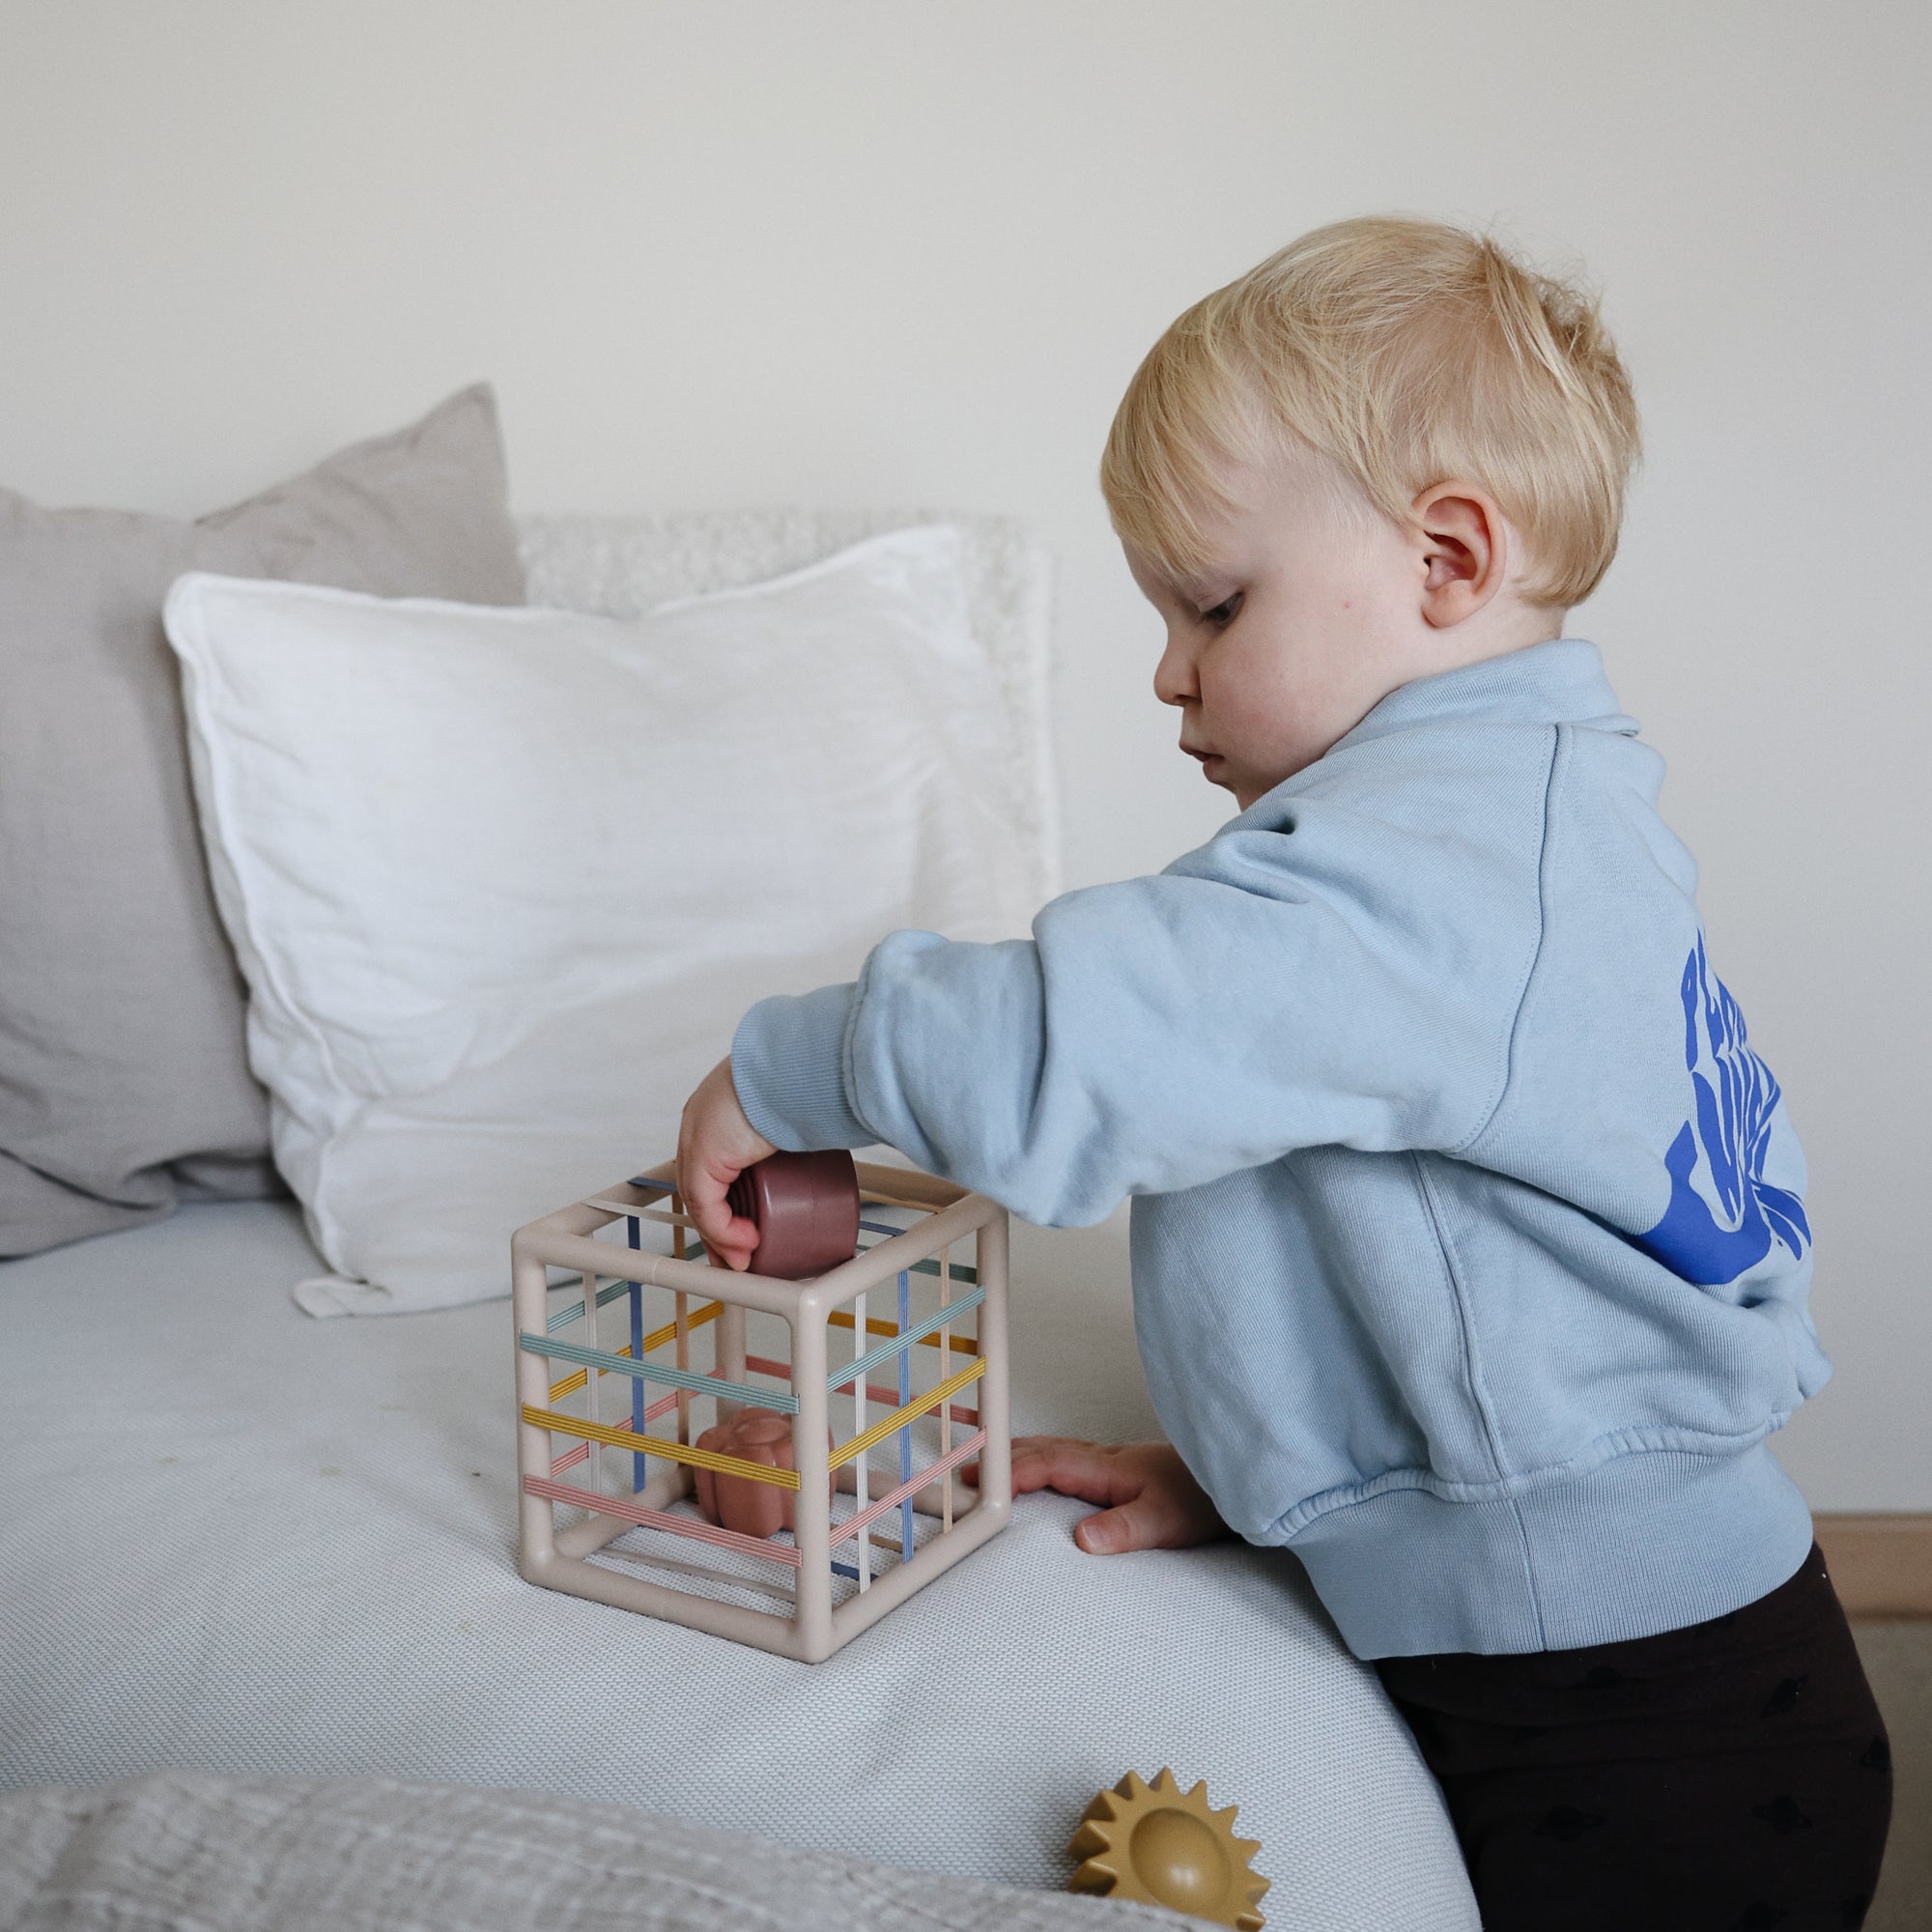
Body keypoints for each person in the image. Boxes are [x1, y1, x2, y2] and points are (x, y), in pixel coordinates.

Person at [676, 216, 1890, 1930]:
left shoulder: (1421, 874)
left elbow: (1090, 1044)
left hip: (1627, 1723)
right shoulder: (1540, 819)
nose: (1167, 671)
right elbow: (1482, 1267)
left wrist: (796, 1067)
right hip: (1658, 1643)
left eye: (1213, 604)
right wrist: (1263, 1473)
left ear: (1449, 558)